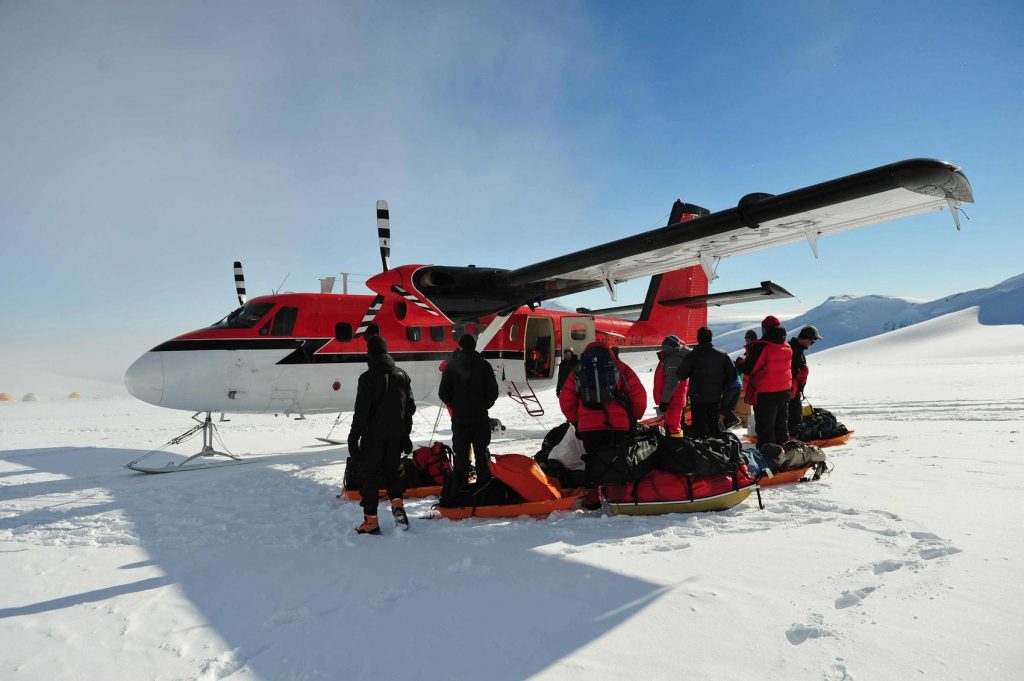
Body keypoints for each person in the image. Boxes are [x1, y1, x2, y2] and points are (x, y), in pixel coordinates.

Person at [559, 339, 647, 508]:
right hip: (618, 424)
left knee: (592, 459)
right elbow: (638, 394)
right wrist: (634, 418)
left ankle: (593, 498)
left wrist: (576, 421)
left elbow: (566, 398)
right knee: (618, 457)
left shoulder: (579, 369)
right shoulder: (620, 368)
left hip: (589, 426)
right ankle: (618, 495)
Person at [348, 335, 416, 535]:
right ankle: (398, 507)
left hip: (374, 437)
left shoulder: (367, 378)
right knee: (393, 472)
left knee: (370, 477)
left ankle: (371, 521)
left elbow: (362, 412)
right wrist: (406, 434)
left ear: (370, 354)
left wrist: (353, 437)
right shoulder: (402, 375)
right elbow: (409, 408)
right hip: (396, 434)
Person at [438, 333, 500, 486]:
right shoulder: (484, 365)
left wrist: (456, 406)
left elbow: (443, 393)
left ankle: (461, 489)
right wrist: (483, 405)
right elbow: (493, 392)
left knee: (461, 456)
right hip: (480, 418)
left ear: (460, 346)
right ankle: (484, 488)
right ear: (474, 345)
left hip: (460, 420)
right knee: (481, 454)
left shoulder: (452, 366)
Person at [739, 317, 793, 450]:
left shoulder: (762, 346)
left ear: (765, 329)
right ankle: (786, 456)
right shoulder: (786, 345)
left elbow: (749, 369)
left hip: (766, 394)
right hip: (784, 391)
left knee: (765, 429)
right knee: (781, 426)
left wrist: (741, 362)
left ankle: (768, 460)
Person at [675, 326, 738, 438]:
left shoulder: (693, 355)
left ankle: (700, 451)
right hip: (715, 397)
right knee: (713, 426)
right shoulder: (722, 354)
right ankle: (715, 450)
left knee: (698, 428)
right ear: (711, 339)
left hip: (697, 397)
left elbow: (681, 375)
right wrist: (722, 387)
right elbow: (733, 375)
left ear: (698, 339)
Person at [653, 335, 690, 436]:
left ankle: (677, 448)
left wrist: (664, 401)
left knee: (674, 428)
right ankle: (676, 446)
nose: (662, 349)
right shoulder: (674, 357)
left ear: (668, 347)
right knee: (674, 426)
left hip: (673, 400)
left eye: (664, 346)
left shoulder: (673, 360)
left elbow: (672, 383)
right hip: (674, 399)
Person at [788, 325, 822, 433]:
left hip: (794, 390)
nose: (812, 344)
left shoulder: (797, 349)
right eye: (812, 341)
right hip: (788, 391)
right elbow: (788, 371)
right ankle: (791, 437)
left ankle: (794, 434)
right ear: (806, 338)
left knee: (795, 415)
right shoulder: (791, 349)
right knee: (791, 416)